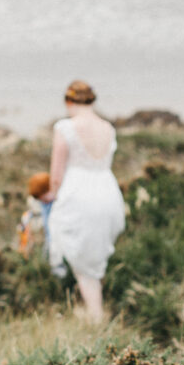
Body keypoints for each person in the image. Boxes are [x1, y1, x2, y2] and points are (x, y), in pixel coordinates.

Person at [41, 81, 125, 321]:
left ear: (68, 102)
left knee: (81, 256)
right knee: (93, 254)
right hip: (108, 191)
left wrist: (51, 195)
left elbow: (56, 175)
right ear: (92, 101)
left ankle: (95, 315)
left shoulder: (65, 127)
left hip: (78, 193)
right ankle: (94, 308)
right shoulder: (108, 127)